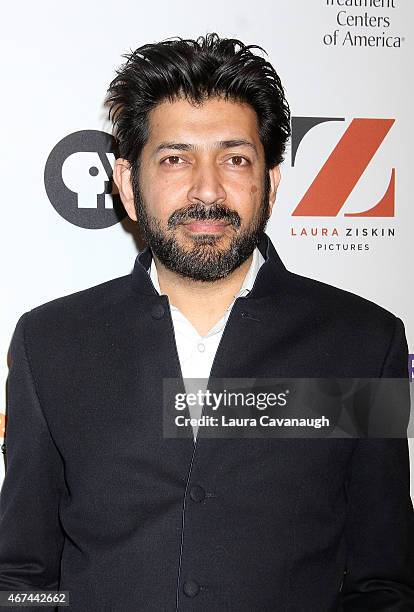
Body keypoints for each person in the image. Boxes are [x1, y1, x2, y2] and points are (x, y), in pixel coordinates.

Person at [0, 33, 413, 611]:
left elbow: (384, 581)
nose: (207, 190)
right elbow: (20, 577)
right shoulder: (50, 343)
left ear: (270, 183)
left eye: (235, 158)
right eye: (175, 158)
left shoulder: (364, 344)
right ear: (125, 182)